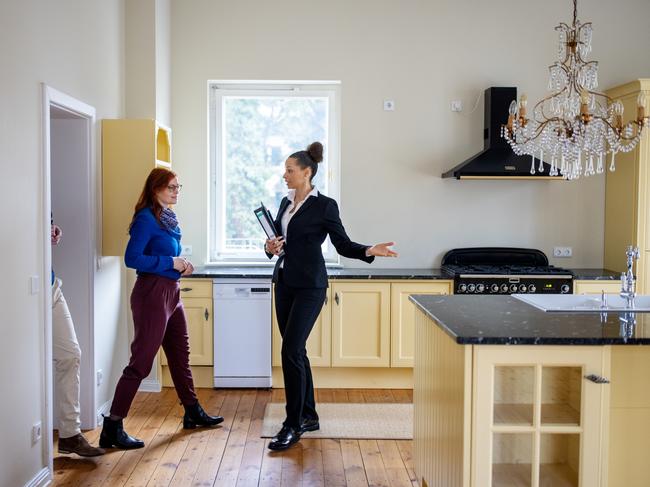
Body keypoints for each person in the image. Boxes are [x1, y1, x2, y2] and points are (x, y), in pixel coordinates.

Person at [265, 142, 397, 450]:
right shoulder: (285, 203)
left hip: (311, 286)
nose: (284, 174)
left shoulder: (325, 206)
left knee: (290, 351)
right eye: (285, 169)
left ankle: (292, 424)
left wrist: (368, 250)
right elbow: (278, 242)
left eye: (289, 169)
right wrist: (270, 248)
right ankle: (308, 415)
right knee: (296, 352)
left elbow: (342, 244)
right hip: (284, 282)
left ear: (307, 172)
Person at [100, 168, 223, 450]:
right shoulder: (145, 218)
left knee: (180, 355)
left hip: (171, 293)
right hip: (152, 295)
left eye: (179, 186)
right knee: (141, 363)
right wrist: (170, 263)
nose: (176, 191)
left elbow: (167, 254)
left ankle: (192, 411)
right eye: (171, 187)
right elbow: (133, 259)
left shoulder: (167, 218)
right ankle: (112, 426)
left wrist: (182, 264)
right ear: (155, 188)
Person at [51, 219, 105, 457]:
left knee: (71, 355)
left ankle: (70, 435)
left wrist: (50, 231)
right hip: (21, 286)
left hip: (50, 286)